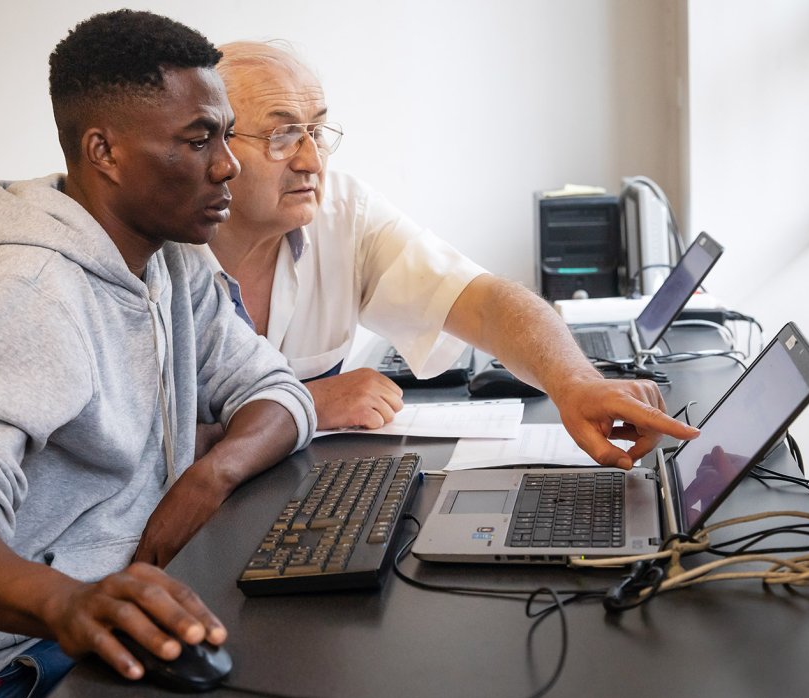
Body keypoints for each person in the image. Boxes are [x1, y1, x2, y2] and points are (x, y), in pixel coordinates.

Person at [0, 11, 316, 698]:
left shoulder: (172, 261)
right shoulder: (24, 293)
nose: (228, 165)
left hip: (137, 601)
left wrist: (205, 479)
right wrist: (67, 603)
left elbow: (277, 390)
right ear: (105, 151)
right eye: (198, 138)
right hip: (8, 661)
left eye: (224, 133)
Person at [195, 40, 698, 467]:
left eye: (317, 132)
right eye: (282, 136)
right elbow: (139, 457)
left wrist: (575, 382)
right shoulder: (158, 256)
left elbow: (486, 302)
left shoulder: (342, 210)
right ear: (213, 145)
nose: (310, 161)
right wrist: (304, 404)